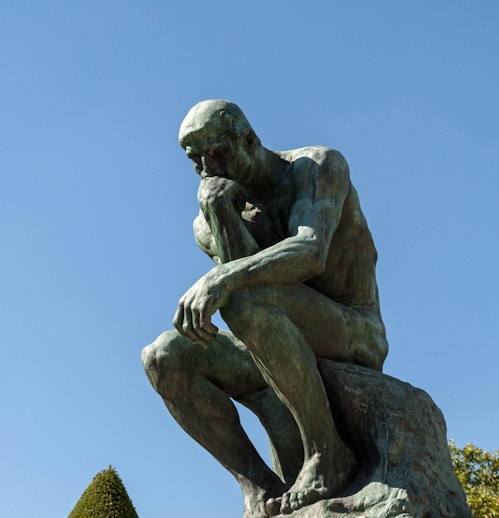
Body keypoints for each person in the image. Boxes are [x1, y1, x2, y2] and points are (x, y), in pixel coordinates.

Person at [142, 100, 388, 517]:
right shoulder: (209, 220)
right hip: (273, 335)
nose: (206, 167)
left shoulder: (317, 168)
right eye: (194, 159)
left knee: (243, 295)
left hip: (351, 329)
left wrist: (221, 278)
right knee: (164, 356)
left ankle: (328, 453)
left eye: (217, 151)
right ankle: (258, 485)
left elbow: (310, 252)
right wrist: (220, 210)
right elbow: (247, 287)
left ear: (249, 139)